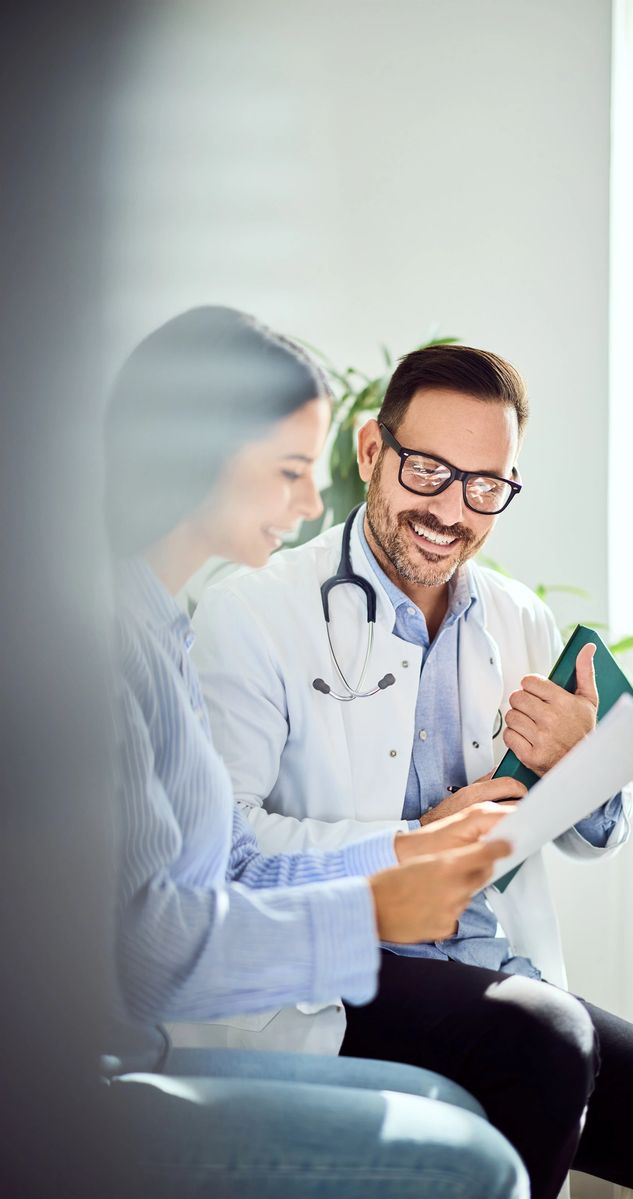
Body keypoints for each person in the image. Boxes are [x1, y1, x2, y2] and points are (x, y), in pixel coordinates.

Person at [190, 343, 633, 1198]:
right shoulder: (252, 609)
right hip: (333, 975)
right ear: (372, 451)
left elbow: (595, 836)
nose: (452, 509)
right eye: (429, 470)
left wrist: (583, 761)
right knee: (544, 1039)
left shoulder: (518, 618)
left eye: (486, 485)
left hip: (487, 971)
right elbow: (222, 848)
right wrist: (411, 842)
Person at [103, 308, 528, 1199]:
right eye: (292, 471)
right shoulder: (112, 640)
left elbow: (236, 858)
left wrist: (409, 851)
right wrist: (372, 909)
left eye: (484, 484)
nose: (308, 503)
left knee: (462, 1099)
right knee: (484, 1145)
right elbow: (151, 949)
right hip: (100, 1080)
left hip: (164, 1038)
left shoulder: (157, 627)